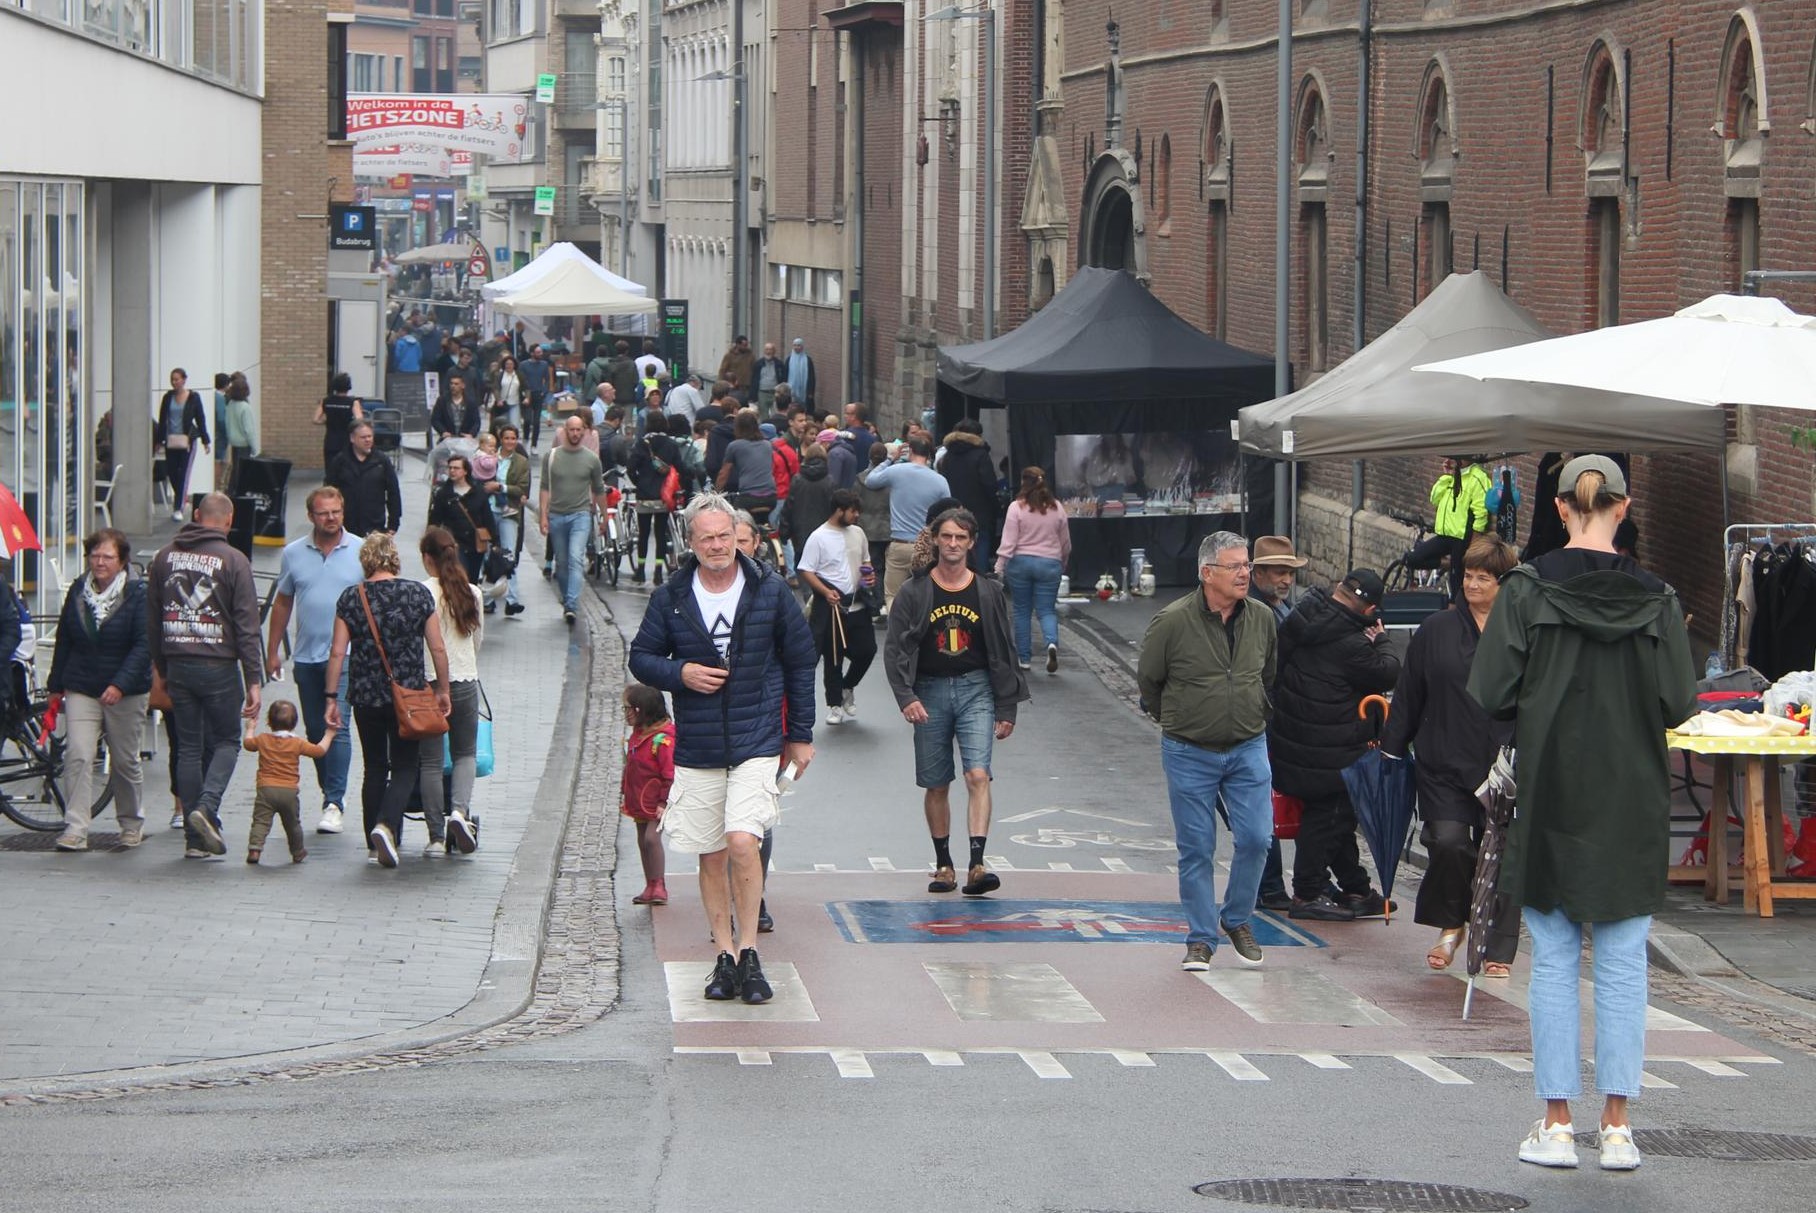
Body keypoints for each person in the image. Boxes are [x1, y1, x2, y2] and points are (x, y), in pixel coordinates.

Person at [1468, 455, 1696, 1173]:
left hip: (1552, 789)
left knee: (1556, 959)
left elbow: (1493, 689)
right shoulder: (1658, 599)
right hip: (1631, 794)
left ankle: (1557, 1122)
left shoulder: (1527, 588)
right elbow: (1679, 703)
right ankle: (1621, 1127)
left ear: (1562, 508)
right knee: (1625, 963)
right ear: (1623, 509)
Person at [628, 493, 817, 1004]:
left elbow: (801, 661)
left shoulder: (769, 590)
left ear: (739, 537)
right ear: (691, 542)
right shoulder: (672, 596)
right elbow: (641, 657)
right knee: (710, 855)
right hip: (699, 742)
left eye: (724, 536)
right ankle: (725, 954)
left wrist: (800, 735)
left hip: (758, 736)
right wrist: (681, 673)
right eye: (706, 538)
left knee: (741, 841)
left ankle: (751, 951)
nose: (717, 546)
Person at [1382, 534, 1522, 975]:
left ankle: (1498, 949)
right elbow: (1409, 693)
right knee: (1449, 844)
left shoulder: (1523, 635)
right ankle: (1450, 926)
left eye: (1484, 578)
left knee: (1503, 855)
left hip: (1503, 763)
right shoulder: (1436, 630)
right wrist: (1390, 749)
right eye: (1468, 576)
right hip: (1443, 760)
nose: (1472, 585)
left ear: (1505, 584)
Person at [1136, 532, 1276, 971]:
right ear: (1207, 573)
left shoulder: (1262, 618)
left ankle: (1235, 918)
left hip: (1248, 744)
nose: (1245, 574)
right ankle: (1200, 938)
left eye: (1247, 566)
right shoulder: (1172, 621)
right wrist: (1177, 719)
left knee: (1257, 838)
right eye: (1235, 566)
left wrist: (1253, 710)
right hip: (1189, 750)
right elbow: (1149, 680)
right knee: (1196, 847)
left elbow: (1266, 673)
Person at [884, 507, 1028, 897]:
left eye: (960, 538)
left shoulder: (988, 591)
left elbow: (1005, 650)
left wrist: (1007, 705)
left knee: (978, 775)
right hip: (928, 690)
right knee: (936, 783)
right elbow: (895, 647)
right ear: (934, 540)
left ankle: (977, 864)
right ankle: (944, 864)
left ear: (971, 542)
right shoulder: (915, 592)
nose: (952, 544)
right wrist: (906, 697)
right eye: (946, 536)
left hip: (976, 688)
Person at [1267, 569, 1402, 921]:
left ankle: (1356, 888)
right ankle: (1307, 893)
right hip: (1333, 746)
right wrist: (1382, 640)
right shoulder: (1353, 642)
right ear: (1369, 608)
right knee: (1329, 814)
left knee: (1337, 815)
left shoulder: (1304, 616)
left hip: (1296, 737)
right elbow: (1388, 672)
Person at [324, 531, 453, 868]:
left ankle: (372, 842)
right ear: (394, 558)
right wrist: (443, 688)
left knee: (374, 766)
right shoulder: (417, 593)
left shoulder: (351, 598)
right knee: (406, 765)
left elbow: (338, 652)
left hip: (365, 695)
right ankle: (386, 825)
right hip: (408, 696)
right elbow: (437, 646)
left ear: (365, 561)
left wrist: (330, 697)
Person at [147, 493, 262, 860]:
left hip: (178, 663)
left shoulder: (164, 557)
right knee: (228, 740)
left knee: (189, 747)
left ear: (197, 516)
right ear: (229, 521)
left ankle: (194, 840)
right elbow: (246, 625)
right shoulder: (234, 560)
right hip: (218, 666)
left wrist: (162, 668)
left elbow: (152, 621)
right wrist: (254, 679)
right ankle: (206, 807)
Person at [266, 487, 365, 836]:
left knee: (335, 725)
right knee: (313, 730)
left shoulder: (359, 550)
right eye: (324, 513)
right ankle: (330, 792)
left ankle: (334, 802)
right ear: (311, 516)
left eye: (336, 511)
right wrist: (273, 649)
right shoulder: (294, 553)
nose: (331, 518)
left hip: (348, 656)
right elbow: (283, 602)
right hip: (307, 656)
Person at [45, 528, 151, 851]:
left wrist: (120, 684)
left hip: (126, 691)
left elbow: (144, 645)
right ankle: (75, 828)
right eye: (94, 555)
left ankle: (131, 823)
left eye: (107, 556)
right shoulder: (78, 591)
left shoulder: (138, 594)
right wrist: (55, 686)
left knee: (124, 760)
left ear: (122, 561)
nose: (99, 562)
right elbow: (64, 639)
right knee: (77, 754)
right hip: (82, 685)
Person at [1243, 534, 1309, 911]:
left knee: (1270, 805)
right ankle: (1269, 886)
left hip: (1281, 720)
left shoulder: (1281, 607)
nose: (1286, 580)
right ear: (1259, 573)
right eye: (1279, 572)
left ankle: (1280, 884)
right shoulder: (1258, 611)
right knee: (1259, 807)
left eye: (1290, 573)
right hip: (1262, 721)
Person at [417, 526, 484, 857]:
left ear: (427, 558)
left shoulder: (421, 592)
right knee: (465, 752)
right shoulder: (471, 592)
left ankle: (434, 835)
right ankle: (460, 811)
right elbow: (477, 639)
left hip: (429, 682)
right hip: (465, 680)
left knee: (430, 760)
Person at [798, 489, 878, 725]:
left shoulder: (859, 533)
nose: (856, 516)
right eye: (853, 511)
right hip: (831, 607)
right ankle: (834, 705)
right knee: (833, 656)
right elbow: (806, 569)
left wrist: (869, 576)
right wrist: (824, 591)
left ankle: (847, 686)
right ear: (839, 510)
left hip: (857, 603)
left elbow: (866, 561)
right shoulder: (818, 537)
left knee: (868, 650)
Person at [995, 467, 1071, 674]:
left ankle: (1024, 658)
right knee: (1046, 610)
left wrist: (999, 566)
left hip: (1020, 563)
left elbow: (1008, 541)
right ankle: (1051, 644)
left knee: (1021, 611)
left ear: (1023, 483)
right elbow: (1066, 542)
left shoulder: (1016, 507)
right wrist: (1062, 562)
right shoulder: (1057, 508)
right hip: (1049, 564)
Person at [539, 414, 611, 625]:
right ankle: (566, 596)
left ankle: (571, 604)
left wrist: (604, 517)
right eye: (572, 429)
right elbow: (544, 487)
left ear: (584, 431)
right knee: (561, 562)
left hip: (581, 514)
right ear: (564, 431)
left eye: (579, 429)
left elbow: (599, 490)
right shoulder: (552, 457)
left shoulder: (591, 459)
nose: (576, 433)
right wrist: (543, 515)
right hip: (557, 515)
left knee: (575, 558)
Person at [242, 701, 331, 865]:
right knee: (292, 825)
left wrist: (250, 728)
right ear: (295, 723)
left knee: (261, 822)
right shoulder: (297, 743)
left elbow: (248, 744)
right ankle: (298, 852)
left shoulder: (262, 739)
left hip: (265, 789)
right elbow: (319, 751)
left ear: (268, 722)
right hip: (289, 791)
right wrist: (330, 734)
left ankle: (255, 849)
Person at [866, 434, 950, 608]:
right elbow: (948, 514)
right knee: (925, 595)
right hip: (925, 544)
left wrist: (890, 459)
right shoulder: (941, 481)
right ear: (929, 455)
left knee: (893, 595)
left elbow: (870, 480)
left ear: (910, 451)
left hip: (899, 543)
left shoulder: (897, 472)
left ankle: (898, 630)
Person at [1404, 455, 1491, 601]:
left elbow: (1481, 512)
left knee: (1456, 584)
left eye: (1454, 458)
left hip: (1462, 537)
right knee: (1413, 559)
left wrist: (1474, 543)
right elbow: (1435, 498)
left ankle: (1456, 612)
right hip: (1445, 534)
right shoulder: (1452, 476)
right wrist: (1446, 476)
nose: (1451, 461)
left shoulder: (1477, 477)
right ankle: (1451, 564)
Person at [622, 684, 675, 907]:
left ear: (640, 709)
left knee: (651, 839)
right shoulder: (638, 736)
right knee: (642, 841)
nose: (624, 713)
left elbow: (669, 774)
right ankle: (649, 884)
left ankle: (659, 884)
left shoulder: (662, 740)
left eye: (627, 708)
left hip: (656, 801)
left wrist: (664, 800)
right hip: (639, 798)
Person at [628, 408, 682, 585]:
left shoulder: (642, 444)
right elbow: (679, 467)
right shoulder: (671, 444)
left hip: (644, 495)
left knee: (643, 534)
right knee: (660, 533)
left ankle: (641, 570)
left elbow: (630, 468)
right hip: (663, 495)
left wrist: (639, 482)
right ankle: (658, 571)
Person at [936, 419, 998, 570]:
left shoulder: (948, 455)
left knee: (954, 544)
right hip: (979, 510)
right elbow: (989, 483)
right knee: (980, 544)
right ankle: (979, 579)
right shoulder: (981, 455)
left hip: (953, 509)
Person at [427, 454, 498, 586]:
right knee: (459, 577)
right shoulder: (443, 494)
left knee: (472, 580)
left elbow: (487, 518)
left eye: (456, 468)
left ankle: (471, 604)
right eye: (450, 468)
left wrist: (495, 542)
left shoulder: (478, 492)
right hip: (454, 544)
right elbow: (434, 520)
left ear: (465, 471)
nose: (452, 471)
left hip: (475, 545)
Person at [327, 420, 403, 538]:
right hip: (346, 527)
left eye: (370, 436)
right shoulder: (340, 462)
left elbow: (393, 492)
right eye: (363, 437)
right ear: (352, 438)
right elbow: (329, 493)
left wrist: (393, 524)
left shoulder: (382, 461)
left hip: (375, 527)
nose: (368, 440)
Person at [155, 367, 211, 521]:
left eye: (177, 379)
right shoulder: (168, 398)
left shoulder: (193, 397)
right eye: (172, 379)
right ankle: (182, 497)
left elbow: (200, 418)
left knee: (183, 473)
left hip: (187, 441)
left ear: (184, 380)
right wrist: (159, 440)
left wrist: (205, 440)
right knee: (172, 472)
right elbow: (162, 419)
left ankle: (178, 507)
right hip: (171, 440)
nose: (174, 382)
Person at [487, 425, 532, 617]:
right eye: (507, 438)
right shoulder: (489, 457)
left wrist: (501, 487)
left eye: (513, 438)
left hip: (509, 512)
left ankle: (512, 599)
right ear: (500, 439)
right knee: (489, 555)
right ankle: (488, 598)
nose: (510, 442)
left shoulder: (522, 462)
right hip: (488, 511)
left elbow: (522, 488)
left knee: (508, 556)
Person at [780, 441, 836, 568]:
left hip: (801, 533)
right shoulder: (830, 481)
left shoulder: (798, 479)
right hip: (825, 534)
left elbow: (789, 506)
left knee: (803, 567)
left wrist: (784, 531)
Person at [715, 410, 779, 516]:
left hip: (749, 497)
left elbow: (724, 473)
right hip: (771, 497)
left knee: (734, 518)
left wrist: (716, 493)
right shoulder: (767, 445)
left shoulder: (734, 446)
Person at [855, 442, 893, 583]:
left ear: (869, 457)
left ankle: (873, 596)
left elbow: (855, 502)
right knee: (886, 566)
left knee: (870, 565)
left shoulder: (860, 479)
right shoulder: (890, 480)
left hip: (866, 528)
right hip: (887, 528)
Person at [315, 372, 364, 471]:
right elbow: (359, 421)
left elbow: (315, 419)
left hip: (330, 441)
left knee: (331, 469)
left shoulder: (325, 401)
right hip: (347, 442)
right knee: (346, 469)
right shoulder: (353, 402)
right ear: (348, 386)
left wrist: (326, 421)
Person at [223, 371, 256, 482]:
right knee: (243, 472)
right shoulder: (245, 407)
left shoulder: (230, 404)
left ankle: (232, 491)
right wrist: (254, 448)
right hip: (244, 443)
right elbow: (249, 430)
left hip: (234, 442)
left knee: (235, 470)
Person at [517, 345, 551, 450]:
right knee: (527, 420)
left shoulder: (544, 364)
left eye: (541, 352)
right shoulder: (523, 365)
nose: (540, 354)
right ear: (532, 353)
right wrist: (523, 393)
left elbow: (547, 379)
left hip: (538, 394)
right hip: (527, 394)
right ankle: (526, 439)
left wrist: (544, 391)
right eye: (538, 352)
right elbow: (520, 380)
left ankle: (534, 444)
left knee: (536, 421)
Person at [432, 376, 481, 441]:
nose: (453, 386)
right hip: (447, 438)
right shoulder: (442, 401)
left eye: (456, 384)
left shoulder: (471, 402)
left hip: (465, 439)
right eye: (451, 383)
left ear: (463, 386)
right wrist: (443, 431)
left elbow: (476, 421)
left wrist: (471, 434)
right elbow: (435, 419)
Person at [717, 335, 757, 406]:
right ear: (738, 344)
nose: (745, 347)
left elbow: (755, 368)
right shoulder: (729, 355)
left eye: (746, 345)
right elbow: (723, 369)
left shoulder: (750, 355)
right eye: (743, 345)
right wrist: (720, 383)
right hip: (732, 385)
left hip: (746, 386)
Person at [489, 354, 523, 433]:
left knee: (514, 424)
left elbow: (525, 386)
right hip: (503, 404)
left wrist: (526, 398)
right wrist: (498, 400)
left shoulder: (518, 375)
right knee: (503, 424)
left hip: (515, 402)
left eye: (511, 364)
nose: (509, 366)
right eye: (507, 364)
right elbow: (496, 388)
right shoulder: (500, 375)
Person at [753, 341, 786, 412]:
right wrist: (753, 396)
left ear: (774, 351)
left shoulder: (779, 364)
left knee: (775, 413)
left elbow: (784, 379)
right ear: (764, 351)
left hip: (775, 393)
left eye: (770, 349)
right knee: (763, 415)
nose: (768, 352)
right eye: (766, 349)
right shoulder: (758, 364)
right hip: (762, 393)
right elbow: (754, 380)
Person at [785, 337, 816, 410]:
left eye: (798, 345)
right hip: (791, 391)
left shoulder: (808, 360)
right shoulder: (789, 360)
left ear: (802, 347)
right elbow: (785, 375)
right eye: (795, 345)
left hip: (804, 391)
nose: (796, 347)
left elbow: (811, 377)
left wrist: (810, 392)